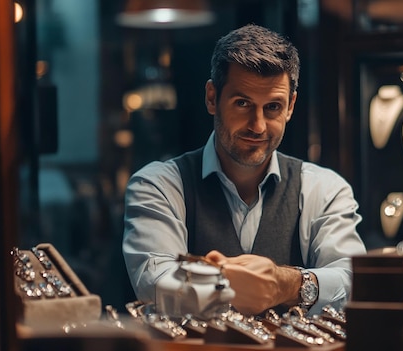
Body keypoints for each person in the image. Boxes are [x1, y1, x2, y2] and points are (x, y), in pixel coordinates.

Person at [122, 24, 366, 316]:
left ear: (291, 106)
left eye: (273, 107)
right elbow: (156, 285)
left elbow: (356, 282)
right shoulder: (158, 185)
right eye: (242, 103)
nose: (258, 125)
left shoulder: (324, 188)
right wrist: (238, 283)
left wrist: (285, 284)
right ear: (212, 98)